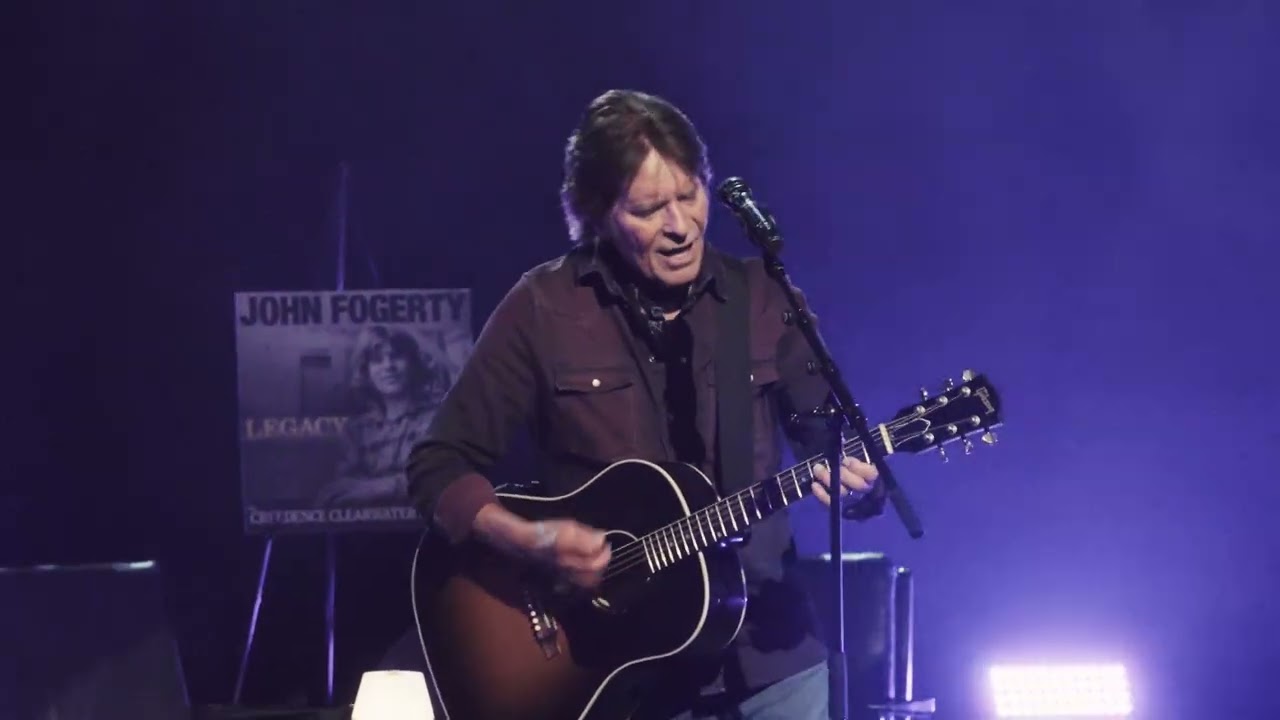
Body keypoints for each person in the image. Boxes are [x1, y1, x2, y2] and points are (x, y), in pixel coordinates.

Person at [406, 89, 885, 720]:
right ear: (597, 212)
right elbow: (437, 465)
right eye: (648, 209)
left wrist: (858, 485)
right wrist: (529, 539)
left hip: (771, 661)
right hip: (616, 678)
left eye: (689, 195)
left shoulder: (762, 299)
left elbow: (834, 445)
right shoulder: (545, 307)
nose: (680, 226)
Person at [317, 325, 449, 507]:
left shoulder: (439, 418)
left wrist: (377, 489)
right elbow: (341, 489)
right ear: (366, 371)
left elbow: (441, 478)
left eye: (396, 356)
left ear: (413, 363)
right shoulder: (356, 430)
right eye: (377, 360)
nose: (388, 366)